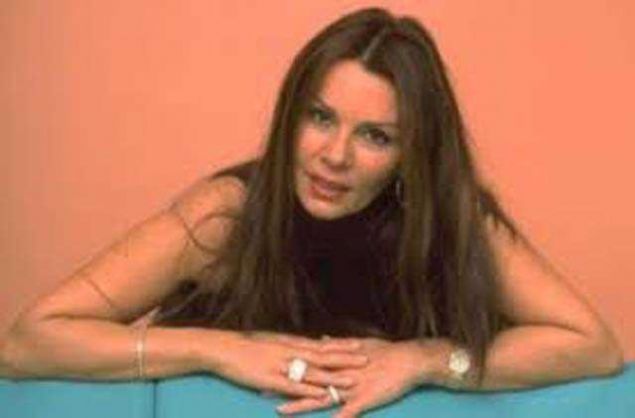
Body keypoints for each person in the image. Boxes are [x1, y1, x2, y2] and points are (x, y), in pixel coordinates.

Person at [0, 7, 623, 418]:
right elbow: (27, 343)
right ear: (290, 116)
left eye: (375, 136)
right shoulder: (227, 214)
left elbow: (590, 346)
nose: (335, 156)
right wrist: (217, 349)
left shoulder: (448, 219)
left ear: (412, 154)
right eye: (320, 118)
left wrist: (425, 360)